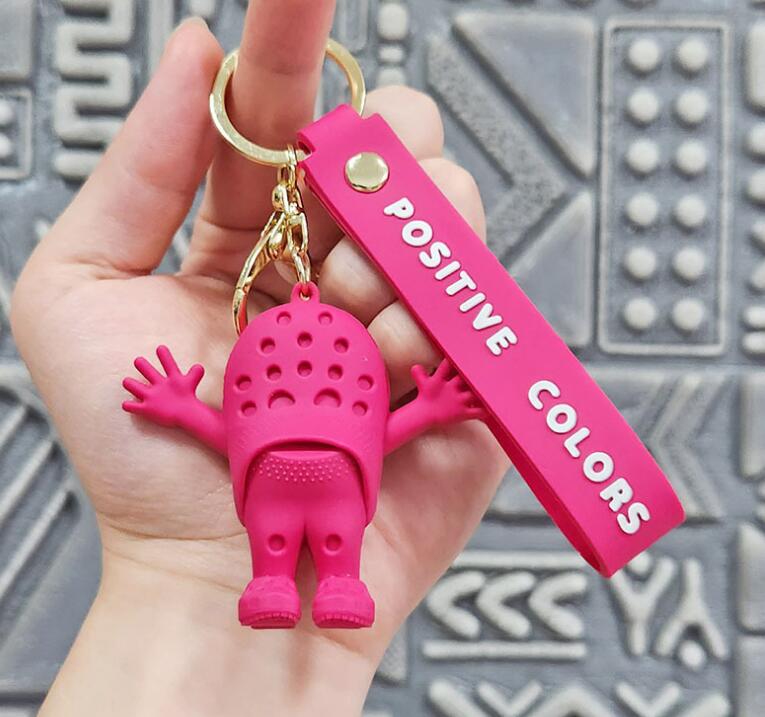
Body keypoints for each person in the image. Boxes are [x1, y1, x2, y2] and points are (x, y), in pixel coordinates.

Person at [11, 1, 507, 714]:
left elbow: (341, 430)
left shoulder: (301, 392)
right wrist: (425, 407)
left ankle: (337, 583)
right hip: (299, 476)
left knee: (333, 543)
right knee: (281, 545)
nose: (304, 365)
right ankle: (277, 581)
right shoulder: (284, 393)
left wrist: (428, 407)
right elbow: (347, 430)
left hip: (317, 476)